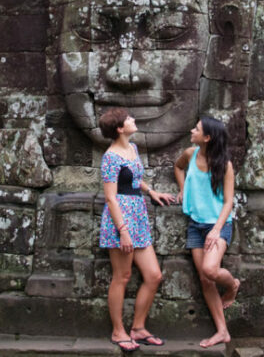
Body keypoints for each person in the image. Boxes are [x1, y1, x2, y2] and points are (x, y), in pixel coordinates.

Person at [98, 108, 176, 352]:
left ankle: (139, 328)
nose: (134, 120)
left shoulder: (132, 149)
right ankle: (118, 331)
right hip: (120, 218)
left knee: (154, 276)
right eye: (129, 119)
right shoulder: (110, 157)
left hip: (138, 214)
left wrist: (151, 191)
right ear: (120, 129)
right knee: (122, 277)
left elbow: (133, 179)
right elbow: (110, 197)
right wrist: (123, 230)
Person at [174, 116, 240, 348]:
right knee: (205, 279)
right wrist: (184, 190)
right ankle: (222, 331)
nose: (192, 130)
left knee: (210, 269)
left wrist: (216, 230)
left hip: (218, 225)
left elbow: (229, 202)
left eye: (197, 129)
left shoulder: (225, 165)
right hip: (195, 224)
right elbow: (178, 167)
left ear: (208, 137)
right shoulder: (190, 154)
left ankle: (233, 286)